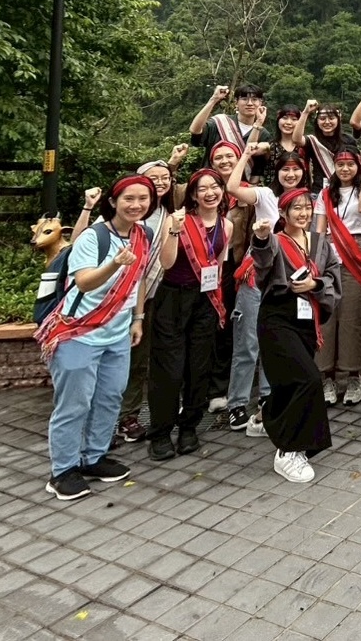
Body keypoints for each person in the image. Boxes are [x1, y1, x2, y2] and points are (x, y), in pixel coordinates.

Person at [37, 175, 154, 501]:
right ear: (113, 201)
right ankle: (62, 471)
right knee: (74, 404)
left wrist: (138, 319)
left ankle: (93, 457)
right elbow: (85, 282)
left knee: (110, 397)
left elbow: (139, 279)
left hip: (117, 333)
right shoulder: (94, 236)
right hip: (78, 331)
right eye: (129, 198)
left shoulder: (143, 234)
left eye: (143, 198)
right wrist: (115, 263)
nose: (136, 205)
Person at [249, 188, 341, 483]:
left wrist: (316, 284)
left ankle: (266, 418)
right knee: (308, 379)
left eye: (307, 207)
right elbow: (262, 265)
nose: (303, 213)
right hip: (278, 317)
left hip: (307, 318)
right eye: (296, 208)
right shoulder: (275, 240)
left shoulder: (320, 242)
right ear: (283, 213)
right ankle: (288, 451)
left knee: (289, 381)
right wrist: (261, 239)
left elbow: (333, 274)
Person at [147, 169, 233, 461]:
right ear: (193, 195)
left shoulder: (227, 225)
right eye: (202, 189)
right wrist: (174, 230)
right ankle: (160, 432)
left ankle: (189, 427)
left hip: (204, 301)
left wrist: (217, 305)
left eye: (215, 187)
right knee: (169, 369)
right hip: (173, 298)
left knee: (199, 367)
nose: (210, 193)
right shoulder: (177, 220)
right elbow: (166, 262)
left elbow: (218, 266)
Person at [224, 145, 311, 433]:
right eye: (285, 169)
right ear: (278, 172)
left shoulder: (307, 201)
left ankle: (267, 397)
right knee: (248, 342)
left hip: (287, 277)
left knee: (274, 340)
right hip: (257, 273)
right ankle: (237, 402)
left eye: (296, 169)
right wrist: (245, 156)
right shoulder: (265, 195)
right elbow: (232, 187)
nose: (291, 174)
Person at [115, 150, 188, 443]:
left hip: (154, 293)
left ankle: (131, 414)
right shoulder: (129, 213)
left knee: (144, 356)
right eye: (153, 179)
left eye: (165, 178)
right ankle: (115, 416)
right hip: (120, 294)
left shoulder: (169, 213)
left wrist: (173, 165)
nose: (160, 183)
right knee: (123, 357)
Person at [315, 149, 361, 407]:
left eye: (350, 164)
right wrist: (316, 260)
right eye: (340, 164)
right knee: (326, 315)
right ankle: (326, 376)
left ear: (357, 166)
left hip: (357, 249)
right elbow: (319, 229)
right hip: (329, 251)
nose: (345, 169)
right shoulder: (325, 194)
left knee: (353, 315)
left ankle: (354, 375)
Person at [189, 83, 270, 179]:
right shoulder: (220, 122)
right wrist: (214, 99)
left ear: (260, 103)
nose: (249, 103)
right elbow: (195, 130)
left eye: (254, 99)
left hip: (240, 185)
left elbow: (258, 168)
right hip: (211, 182)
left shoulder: (263, 134)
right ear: (236, 102)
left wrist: (259, 122)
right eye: (244, 99)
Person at [258, 101, 316, 188]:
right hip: (273, 194)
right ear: (278, 120)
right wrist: (258, 122)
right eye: (284, 118)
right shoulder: (270, 146)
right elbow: (248, 149)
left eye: (294, 119)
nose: (288, 122)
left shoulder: (306, 145)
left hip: (301, 194)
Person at [306, 103, 353, 191]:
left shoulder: (348, 140)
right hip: (319, 191)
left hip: (344, 189)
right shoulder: (312, 140)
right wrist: (306, 112)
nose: (327, 122)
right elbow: (296, 139)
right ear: (317, 121)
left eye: (331, 118)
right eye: (322, 119)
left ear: (338, 119)